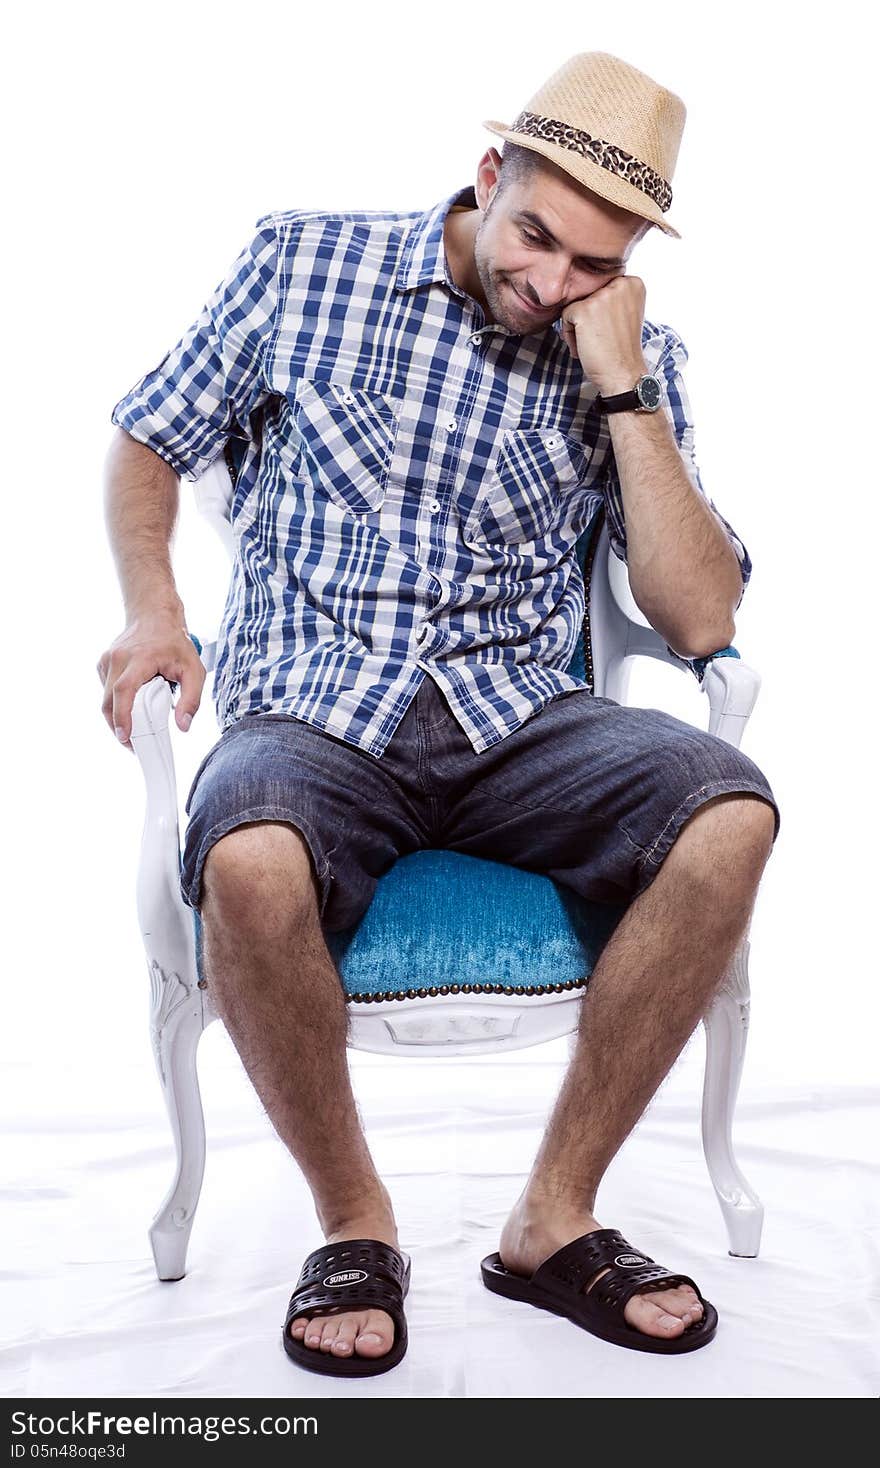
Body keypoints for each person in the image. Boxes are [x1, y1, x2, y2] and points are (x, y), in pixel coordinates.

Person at [99, 51, 781, 1375]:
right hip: (313, 709)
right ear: (488, 177)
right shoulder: (305, 262)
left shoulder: (635, 355)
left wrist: (626, 389)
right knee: (242, 857)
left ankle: (552, 1220)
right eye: (535, 236)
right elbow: (146, 436)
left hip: (521, 722)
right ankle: (355, 1226)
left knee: (732, 817)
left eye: (596, 264)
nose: (549, 284)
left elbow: (700, 623)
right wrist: (152, 610)